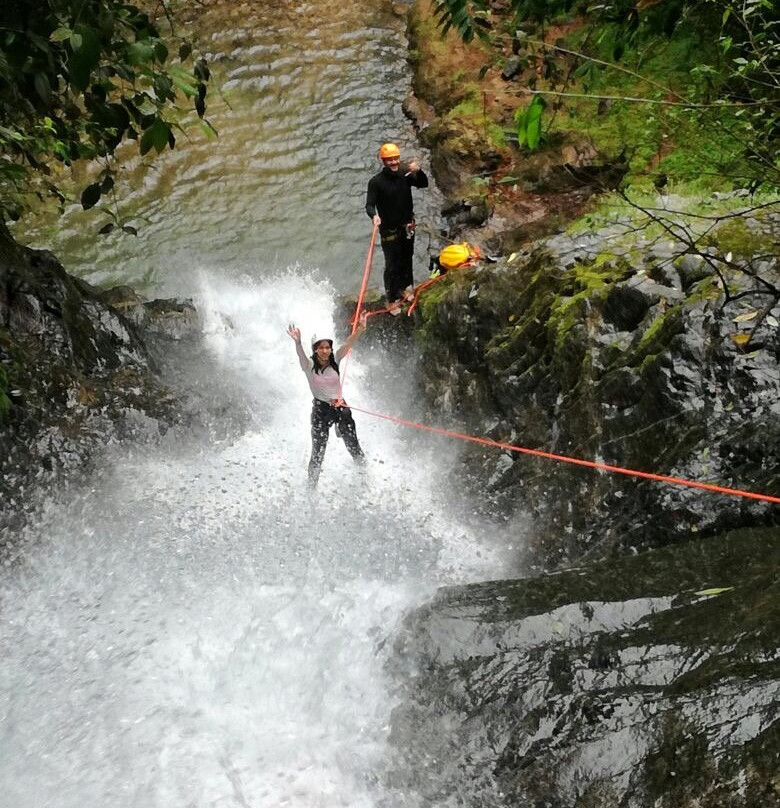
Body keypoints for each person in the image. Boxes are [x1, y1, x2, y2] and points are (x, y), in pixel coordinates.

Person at [287, 314, 367, 486]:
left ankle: (365, 477)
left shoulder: (336, 359)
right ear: (315, 349)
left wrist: (360, 328)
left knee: (353, 444)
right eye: (321, 348)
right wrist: (297, 342)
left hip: (340, 407)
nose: (325, 351)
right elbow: (301, 356)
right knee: (318, 452)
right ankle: (311, 488)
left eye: (328, 347)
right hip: (321, 411)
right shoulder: (308, 366)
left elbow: (348, 344)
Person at [365, 142, 429, 308]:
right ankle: (392, 298)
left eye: (395, 159)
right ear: (383, 161)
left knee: (407, 258)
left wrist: (418, 171)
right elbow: (369, 204)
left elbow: (423, 184)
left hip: (407, 226)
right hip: (389, 229)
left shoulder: (405, 173)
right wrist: (374, 216)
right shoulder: (376, 182)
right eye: (389, 160)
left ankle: (406, 289)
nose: (393, 162)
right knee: (392, 263)